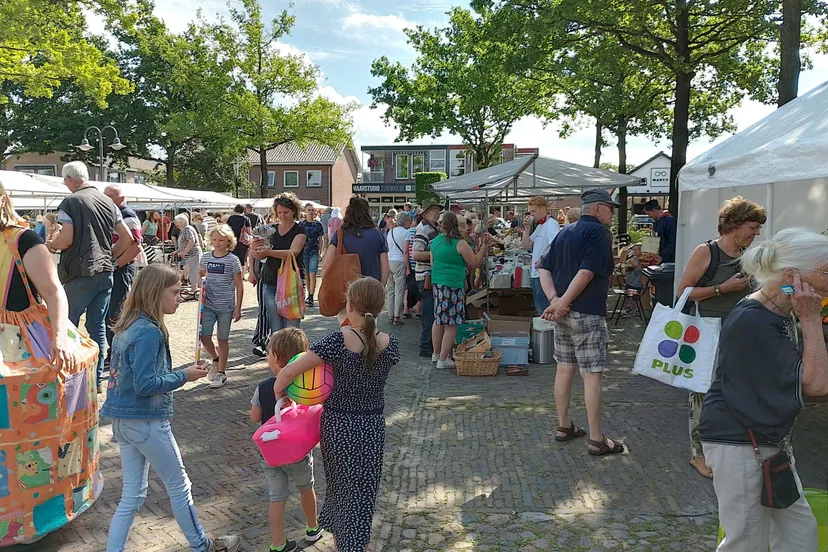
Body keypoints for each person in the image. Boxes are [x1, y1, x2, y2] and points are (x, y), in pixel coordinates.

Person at [698, 228, 828, 551]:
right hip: (741, 444)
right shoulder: (754, 320)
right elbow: (817, 384)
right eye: (826, 271)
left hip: (769, 443)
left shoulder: (779, 310)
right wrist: (811, 321)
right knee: (746, 543)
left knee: (800, 536)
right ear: (791, 277)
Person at [100, 265, 239, 552]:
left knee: (132, 495)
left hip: (123, 420)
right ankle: (203, 545)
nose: (180, 297)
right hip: (146, 421)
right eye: (175, 292)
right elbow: (145, 384)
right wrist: (184, 376)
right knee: (179, 485)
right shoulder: (149, 331)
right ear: (155, 292)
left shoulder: (128, 325)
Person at [273, 278, 400, 552]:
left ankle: (348, 543)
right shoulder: (390, 344)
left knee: (341, 489)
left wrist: (279, 390)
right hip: (373, 426)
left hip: (339, 425)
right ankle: (357, 541)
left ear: (349, 304)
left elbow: (291, 370)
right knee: (363, 492)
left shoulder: (338, 341)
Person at [675, 197, 766, 479]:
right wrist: (721, 289)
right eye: (753, 227)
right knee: (702, 394)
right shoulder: (707, 252)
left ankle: (731, 446)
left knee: (740, 390)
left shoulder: (750, 254)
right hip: (708, 332)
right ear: (735, 225)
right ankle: (697, 454)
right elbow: (683, 293)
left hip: (741, 333)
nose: (756, 233)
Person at [539, 188, 625, 456]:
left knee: (564, 369)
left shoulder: (565, 231)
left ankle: (564, 425)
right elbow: (587, 272)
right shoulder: (599, 233)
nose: (612, 213)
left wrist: (555, 300)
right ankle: (597, 439)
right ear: (597, 208)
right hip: (587, 312)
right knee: (592, 375)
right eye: (610, 208)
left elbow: (543, 267)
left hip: (562, 314)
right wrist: (562, 302)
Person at [49, 161, 136, 393]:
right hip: (105, 274)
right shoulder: (109, 202)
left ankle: (69, 380)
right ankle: (96, 381)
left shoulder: (71, 201)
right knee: (98, 328)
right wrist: (110, 258)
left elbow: (66, 239)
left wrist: (50, 244)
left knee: (67, 325)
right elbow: (127, 238)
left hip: (80, 272)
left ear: (69, 179)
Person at [250, 328, 323, 552]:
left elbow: (254, 417)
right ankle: (312, 528)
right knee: (306, 487)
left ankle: (278, 544)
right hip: (296, 451)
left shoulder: (263, 387)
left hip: (271, 453)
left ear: (276, 357)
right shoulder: (303, 389)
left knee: (277, 498)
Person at [0, 183, 76, 372]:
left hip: (14, 347)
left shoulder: (24, 239)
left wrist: (60, 337)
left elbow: (52, 292)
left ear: (2, 201)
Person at [430, 212, 492, 369]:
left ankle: (436, 353)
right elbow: (475, 263)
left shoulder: (436, 241)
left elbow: (433, 263)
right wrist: (484, 246)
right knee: (452, 323)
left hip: (438, 284)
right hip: (453, 285)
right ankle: (443, 360)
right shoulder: (460, 244)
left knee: (438, 320)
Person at [251, 193, 307, 333]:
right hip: (270, 280)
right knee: (276, 328)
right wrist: (255, 247)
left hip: (292, 281)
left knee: (292, 327)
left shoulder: (300, 230)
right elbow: (256, 251)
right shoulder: (271, 229)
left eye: (286, 212)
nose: (282, 215)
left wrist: (268, 253)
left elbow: (293, 253)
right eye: (279, 212)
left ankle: (293, 354)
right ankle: (277, 354)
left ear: (294, 211)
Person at [103, 185, 145, 369]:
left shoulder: (127, 215)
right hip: (115, 266)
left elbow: (135, 245)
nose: (106, 200)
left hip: (122, 267)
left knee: (116, 312)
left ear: (121, 198)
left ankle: (118, 353)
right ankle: (115, 352)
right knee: (110, 313)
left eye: (110, 196)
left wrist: (117, 264)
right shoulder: (114, 214)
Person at [199, 224, 244, 389]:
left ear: (228, 242)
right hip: (208, 305)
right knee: (204, 336)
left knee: (222, 339)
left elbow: (239, 285)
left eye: (221, 240)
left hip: (226, 306)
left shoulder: (233, 260)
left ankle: (221, 372)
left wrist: (238, 307)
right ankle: (216, 359)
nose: (217, 243)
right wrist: (199, 286)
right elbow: (201, 275)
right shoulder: (205, 257)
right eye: (215, 240)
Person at [323, 197, 390, 285]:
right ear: (367, 213)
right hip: (371, 288)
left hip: (346, 289)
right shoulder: (378, 236)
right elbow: (385, 269)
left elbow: (326, 265)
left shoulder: (340, 235)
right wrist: (380, 289)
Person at [521, 196, 561, 316]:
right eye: (530, 211)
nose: (531, 214)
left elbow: (556, 246)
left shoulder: (551, 225)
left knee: (544, 311)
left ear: (543, 209)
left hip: (543, 274)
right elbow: (526, 245)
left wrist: (542, 259)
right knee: (540, 309)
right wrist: (527, 229)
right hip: (536, 273)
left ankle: (547, 333)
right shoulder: (540, 226)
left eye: (533, 211)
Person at [412, 200, 441, 359]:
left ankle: (429, 345)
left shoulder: (433, 228)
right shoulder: (423, 229)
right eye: (433, 209)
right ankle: (425, 346)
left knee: (432, 311)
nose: (436, 212)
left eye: (437, 209)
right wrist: (435, 255)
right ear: (425, 213)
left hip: (430, 275)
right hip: (425, 276)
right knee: (429, 312)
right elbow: (415, 254)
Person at [386, 210, 412, 325]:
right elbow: (405, 251)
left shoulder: (390, 231)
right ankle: (397, 316)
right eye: (409, 220)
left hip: (389, 261)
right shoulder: (406, 233)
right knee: (399, 290)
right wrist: (408, 268)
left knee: (390, 290)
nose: (410, 222)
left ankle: (390, 315)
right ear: (405, 221)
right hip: (399, 262)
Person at [299, 204, 325, 307]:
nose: (311, 212)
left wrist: (321, 252)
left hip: (314, 251)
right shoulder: (301, 225)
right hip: (303, 252)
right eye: (309, 210)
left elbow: (322, 239)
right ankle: (307, 295)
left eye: (312, 210)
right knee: (306, 274)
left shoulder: (318, 224)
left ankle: (311, 295)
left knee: (313, 273)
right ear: (305, 211)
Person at [173, 213, 203, 295]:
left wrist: (184, 252)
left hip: (194, 253)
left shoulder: (187, 229)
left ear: (181, 222)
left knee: (193, 271)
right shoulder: (184, 229)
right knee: (191, 271)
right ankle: (194, 288)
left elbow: (191, 241)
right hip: (191, 254)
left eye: (176, 221)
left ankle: (194, 289)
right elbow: (184, 243)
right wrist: (178, 251)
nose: (175, 223)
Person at [644, 199, 677, 263]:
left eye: (649, 213)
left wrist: (662, 256)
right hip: (659, 257)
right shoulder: (656, 222)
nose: (649, 216)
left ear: (654, 210)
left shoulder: (669, 221)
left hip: (669, 259)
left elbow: (673, 240)